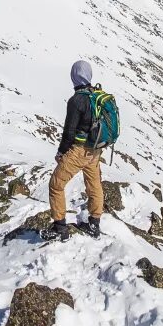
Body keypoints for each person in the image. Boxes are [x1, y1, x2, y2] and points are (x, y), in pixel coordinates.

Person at [43, 60, 104, 240]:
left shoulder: (76, 100)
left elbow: (69, 132)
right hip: (95, 150)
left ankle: (59, 228)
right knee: (94, 185)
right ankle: (94, 224)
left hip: (80, 151)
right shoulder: (97, 95)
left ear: (74, 76)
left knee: (56, 184)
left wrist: (61, 152)